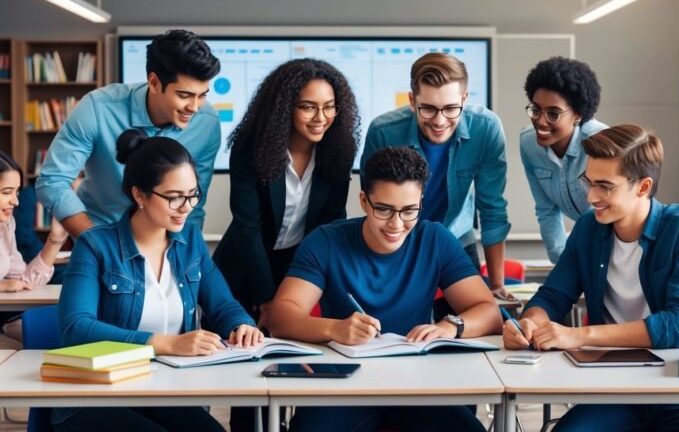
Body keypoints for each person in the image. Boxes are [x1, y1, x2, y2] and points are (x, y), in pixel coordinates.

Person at [504, 125, 679, 431]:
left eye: (605, 186)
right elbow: (553, 296)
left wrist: (579, 336)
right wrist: (530, 324)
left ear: (643, 186)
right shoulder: (588, 229)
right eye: (588, 181)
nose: (590, 196)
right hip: (615, 387)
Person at [269, 147, 502, 432]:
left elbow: (490, 313)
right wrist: (335, 329)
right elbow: (281, 317)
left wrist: (450, 326)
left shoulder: (435, 239)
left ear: (421, 204)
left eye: (408, 211)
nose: (396, 224)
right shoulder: (326, 241)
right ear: (364, 201)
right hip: (343, 385)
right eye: (384, 209)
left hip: (419, 383)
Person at [54, 130, 261, 432]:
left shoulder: (189, 240)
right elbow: (76, 328)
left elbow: (223, 304)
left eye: (193, 195)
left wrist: (242, 325)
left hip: (165, 389)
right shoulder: (95, 246)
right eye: (174, 198)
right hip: (96, 394)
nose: (187, 207)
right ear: (140, 194)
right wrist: (165, 343)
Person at [213, 58, 358, 432]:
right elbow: (247, 228)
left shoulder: (337, 150)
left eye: (328, 107)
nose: (320, 117)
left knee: (301, 365)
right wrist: (265, 300)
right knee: (250, 369)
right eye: (308, 106)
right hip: (246, 269)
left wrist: (320, 283)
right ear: (284, 108)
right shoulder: (250, 148)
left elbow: (330, 224)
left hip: (300, 267)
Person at [37, 29, 221, 238]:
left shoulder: (207, 122)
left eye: (202, 95)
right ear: (153, 82)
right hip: (101, 232)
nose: (195, 107)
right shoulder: (97, 108)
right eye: (184, 95)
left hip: (164, 245)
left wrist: (182, 257)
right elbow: (52, 181)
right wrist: (95, 244)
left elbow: (194, 203)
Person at [360, 52, 510, 300]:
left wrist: (496, 285)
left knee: (473, 320)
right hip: (397, 240)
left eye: (451, 108)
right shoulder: (383, 132)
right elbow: (373, 203)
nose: (439, 121)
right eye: (428, 109)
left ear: (464, 99)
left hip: (457, 240)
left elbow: (492, 207)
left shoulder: (486, 128)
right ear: (412, 100)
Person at [519, 57, 608, 264]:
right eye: (536, 109)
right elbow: (546, 210)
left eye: (553, 113)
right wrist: (563, 264)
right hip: (587, 242)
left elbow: (608, 211)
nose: (540, 121)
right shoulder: (528, 145)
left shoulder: (601, 144)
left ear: (578, 115)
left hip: (620, 242)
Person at [0, 151, 68, 349]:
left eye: (17, 192)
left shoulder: (5, 226)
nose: (16, 201)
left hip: (6, 320)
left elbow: (25, 281)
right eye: (6, 192)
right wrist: (1, 286)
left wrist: (55, 241)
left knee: (57, 343)